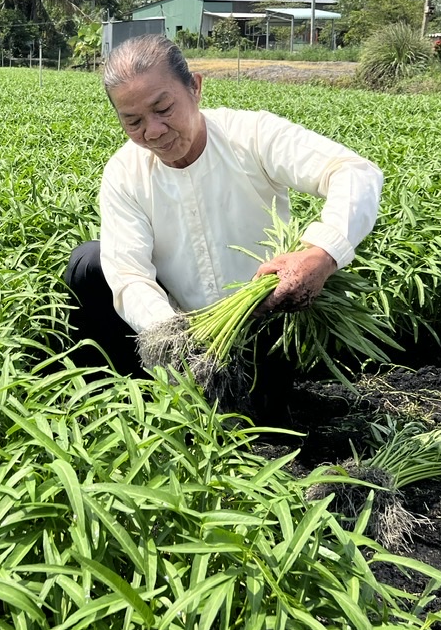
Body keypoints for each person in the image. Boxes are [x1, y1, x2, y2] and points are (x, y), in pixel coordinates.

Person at [64, 35, 383, 407]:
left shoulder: (251, 135)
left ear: (195, 87)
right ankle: (118, 398)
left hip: (262, 321)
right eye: (133, 121)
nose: (152, 131)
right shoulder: (125, 172)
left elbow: (354, 172)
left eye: (164, 108)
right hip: (182, 325)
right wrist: (174, 339)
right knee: (90, 263)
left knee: (264, 421)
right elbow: (130, 275)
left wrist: (321, 253)